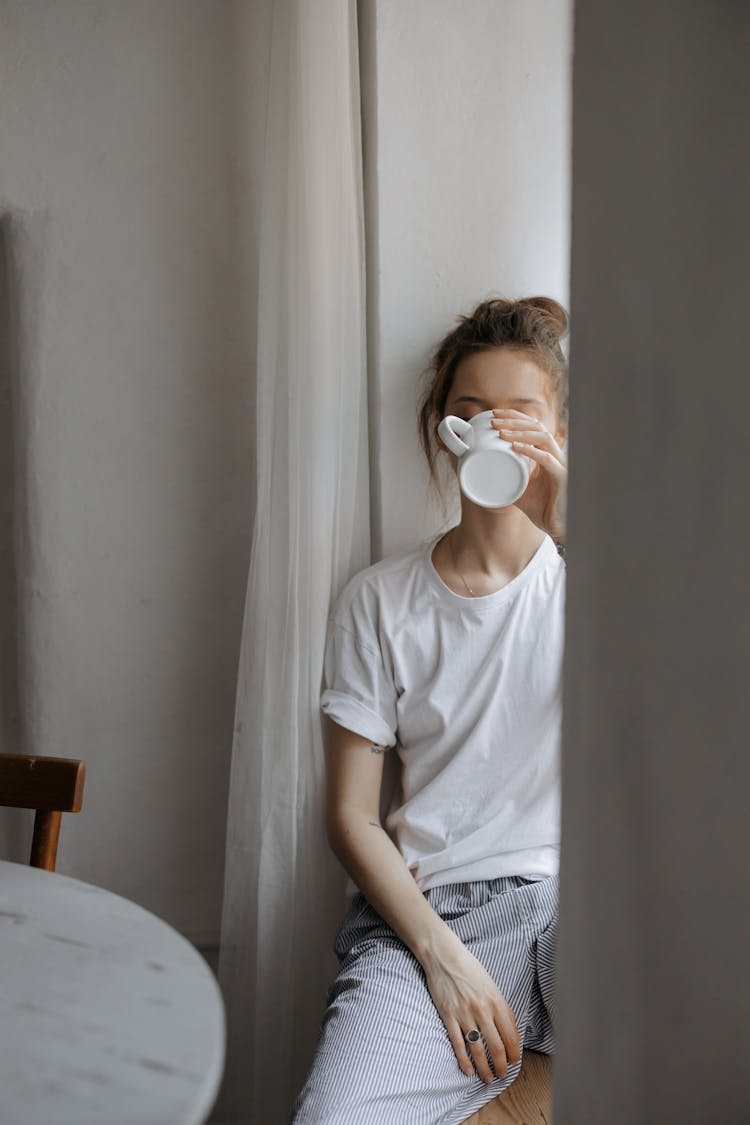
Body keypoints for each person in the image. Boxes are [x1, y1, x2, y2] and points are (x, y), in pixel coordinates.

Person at [291, 295, 569, 1125]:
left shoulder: (595, 576)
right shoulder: (379, 601)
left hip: (568, 904)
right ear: (443, 433)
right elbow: (350, 815)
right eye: (471, 413)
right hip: (429, 916)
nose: (496, 433)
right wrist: (442, 958)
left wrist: (566, 520)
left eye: (522, 417)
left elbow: (689, 706)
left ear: (560, 433)